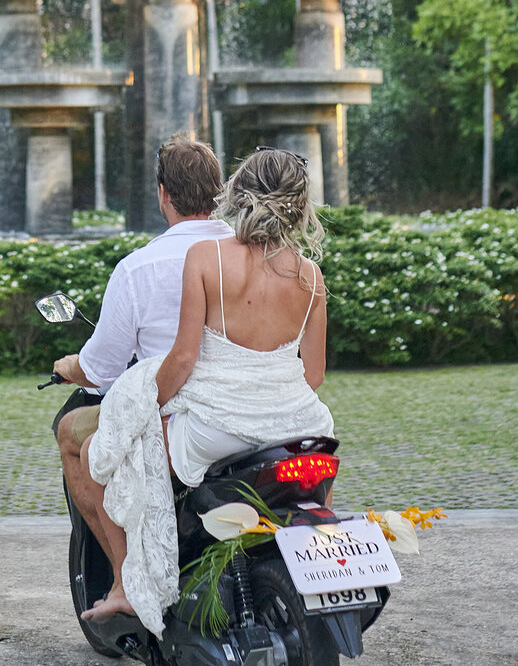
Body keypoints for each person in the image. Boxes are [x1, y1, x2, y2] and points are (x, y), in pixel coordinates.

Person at [74, 147, 334, 629]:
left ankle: (129, 590)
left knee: (97, 454)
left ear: (237, 192)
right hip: (300, 426)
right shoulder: (310, 275)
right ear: (300, 205)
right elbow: (313, 376)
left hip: (215, 428)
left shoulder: (207, 257)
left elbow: (184, 359)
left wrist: (143, 407)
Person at [53, 138, 229, 547]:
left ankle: (123, 572)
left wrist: (69, 366)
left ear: (163, 194)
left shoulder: (139, 268)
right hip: (251, 402)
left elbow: (101, 367)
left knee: (70, 434)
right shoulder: (247, 254)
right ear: (219, 191)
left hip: (174, 407)